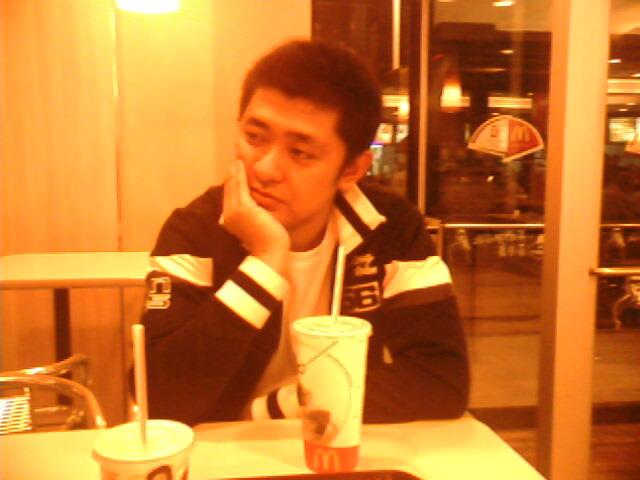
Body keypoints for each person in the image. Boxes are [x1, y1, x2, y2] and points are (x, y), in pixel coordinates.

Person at [142, 39, 469, 426]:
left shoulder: (388, 226)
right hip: (220, 450)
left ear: (351, 170)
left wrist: (275, 409)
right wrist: (265, 262)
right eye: (254, 137)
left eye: (300, 153)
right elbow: (159, 399)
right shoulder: (195, 229)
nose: (264, 168)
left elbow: (441, 379)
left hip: (333, 443)